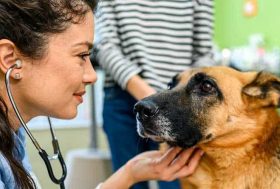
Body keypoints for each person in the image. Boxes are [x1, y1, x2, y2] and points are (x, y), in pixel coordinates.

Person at [0, 0, 204, 189]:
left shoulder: (14, 137)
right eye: (81, 55)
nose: (92, 76)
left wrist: (129, 174)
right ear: (11, 60)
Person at [95, 1, 214, 188]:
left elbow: (204, 53)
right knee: (127, 180)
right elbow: (104, 45)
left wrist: (177, 98)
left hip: (179, 104)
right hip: (123, 96)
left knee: (176, 179)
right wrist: (152, 98)